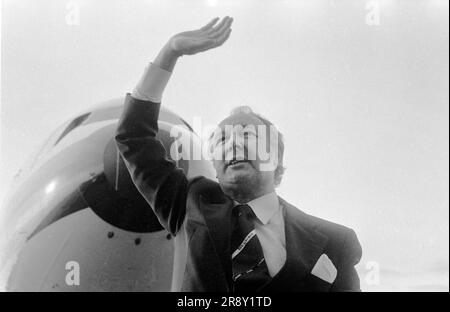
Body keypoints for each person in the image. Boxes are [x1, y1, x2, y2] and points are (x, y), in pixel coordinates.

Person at [115, 16, 362, 292]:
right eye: (221, 139)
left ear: (276, 156)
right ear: (215, 166)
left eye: (247, 135)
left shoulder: (335, 242)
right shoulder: (188, 202)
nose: (233, 144)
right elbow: (133, 137)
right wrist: (170, 51)